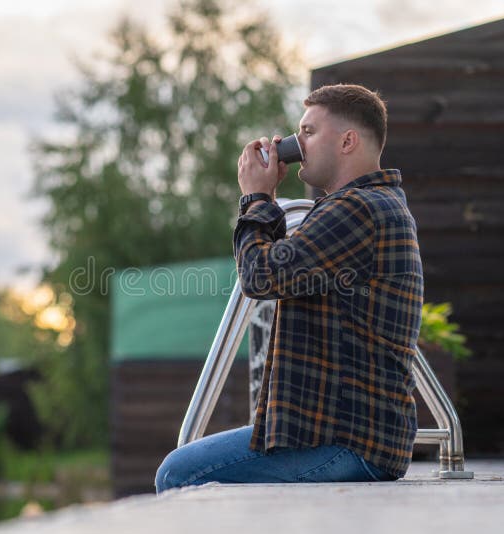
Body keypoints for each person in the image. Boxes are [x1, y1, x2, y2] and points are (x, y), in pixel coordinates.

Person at [155, 84, 423, 493]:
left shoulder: (358, 209)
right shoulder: (374, 205)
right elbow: (285, 266)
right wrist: (268, 200)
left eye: (309, 132)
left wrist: (256, 197)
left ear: (348, 141)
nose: (294, 143)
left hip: (345, 444)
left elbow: (260, 276)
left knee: (178, 473)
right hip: (349, 437)